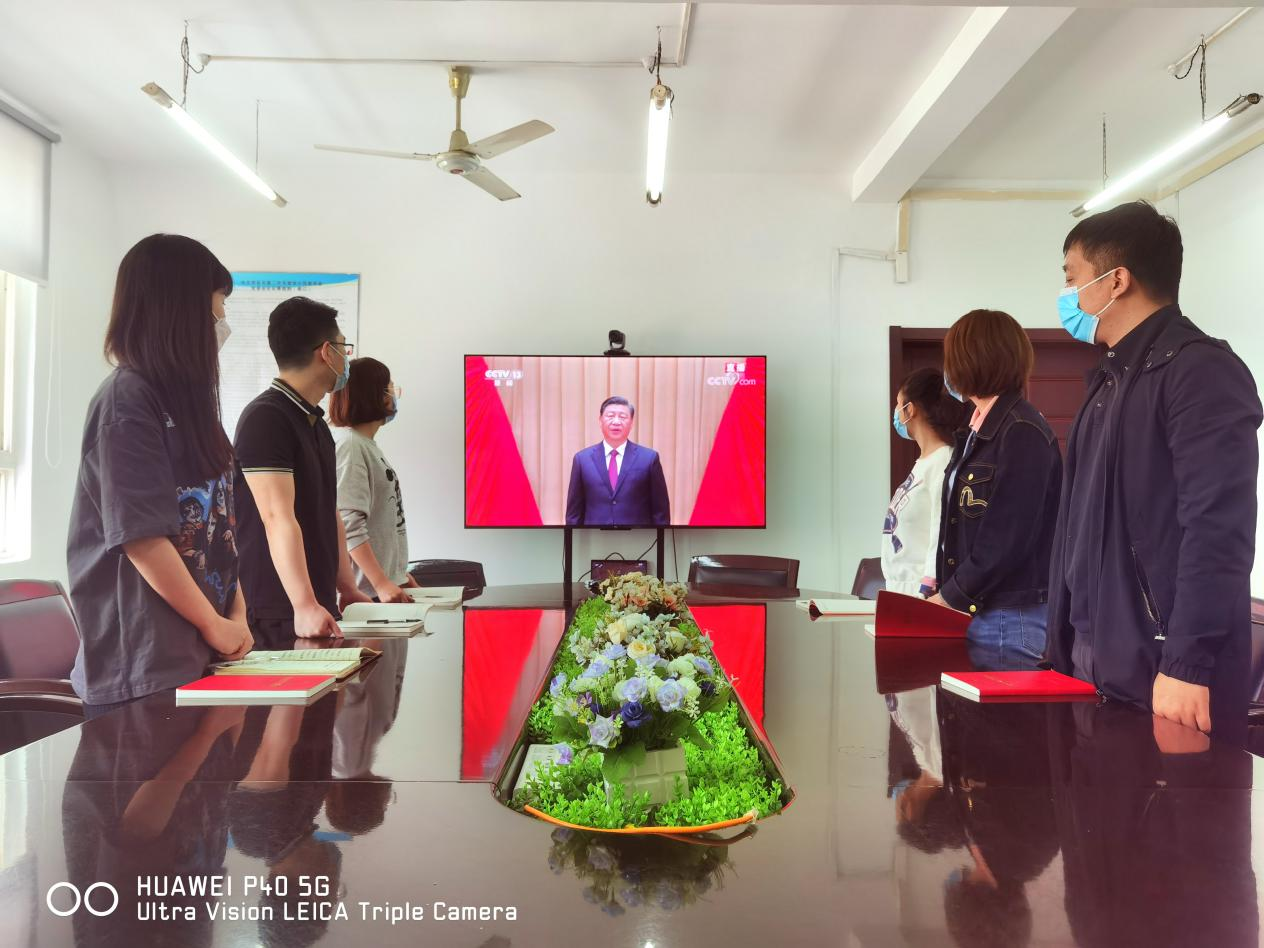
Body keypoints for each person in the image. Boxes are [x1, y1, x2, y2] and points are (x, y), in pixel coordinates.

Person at [1046, 200, 1262, 742]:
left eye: (1072, 278)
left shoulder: (1199, 370)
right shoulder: (1109, 379)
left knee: (1168, 800)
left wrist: (1187, 663)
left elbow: (1218, 529)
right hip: (1092, 653)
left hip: (1163, 666)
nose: (1068, 294)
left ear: (1116, 281)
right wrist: (1060, 645)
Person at [67, 234, 252, 716]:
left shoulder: (191, 407)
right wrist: (213, 624)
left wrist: (235, 613)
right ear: (181, 309)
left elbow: (221, 530)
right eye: (218, 306)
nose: (223, 322)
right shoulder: (126, 400)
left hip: (206, 651)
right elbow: (143, 539)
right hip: (146, 667)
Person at [928, 310, 1063, 671]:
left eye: (952, 357)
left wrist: (950, 597)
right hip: (981, 612)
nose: (948, 369)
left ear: (973, 359)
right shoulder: (977, 430)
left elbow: (1007, 539)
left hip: (1007, 620)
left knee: (1000, 712)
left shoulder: (1020, 430)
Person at [233, 297, 370, 647]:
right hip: (280, 609)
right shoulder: (266, 419)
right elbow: (276, 517)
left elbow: (329, 511)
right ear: (326, 352)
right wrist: (304, 604)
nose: (346, 359)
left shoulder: (315, 422)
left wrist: (347, 587)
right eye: (344, 349)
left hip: (316, 605)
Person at [329, 357, 418, 603]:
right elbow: (349, 524)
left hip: (385, 587)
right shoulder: (350, 445)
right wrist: (381, 582)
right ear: (374, 395)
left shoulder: (364, 444)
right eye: (390, 388)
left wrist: (398, 575)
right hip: (370, 594)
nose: (394, 395)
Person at [883, 368, 967, 596]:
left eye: (898, 404)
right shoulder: (923, 462)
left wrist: (927, 591)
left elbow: (941, 532)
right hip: (900, 592)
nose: (896, 412)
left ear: (909, 409)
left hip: (921, 594)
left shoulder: (943, 461)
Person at [565, 395, 670, 526]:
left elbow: (660, 512)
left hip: (638, 537)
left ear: (631, 423)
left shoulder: (649, 458)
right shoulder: (582, 460)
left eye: (622, 417)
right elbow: (574, 513)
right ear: (600, 420)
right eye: (610, 416)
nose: (616, 421)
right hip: (594, 536)